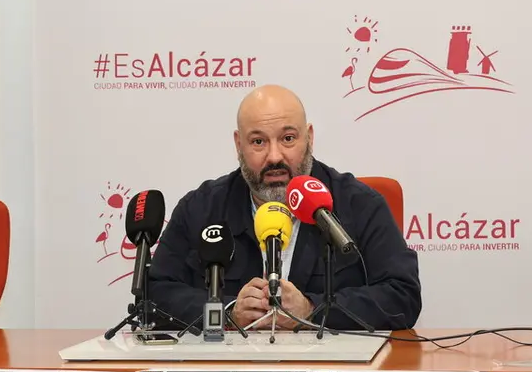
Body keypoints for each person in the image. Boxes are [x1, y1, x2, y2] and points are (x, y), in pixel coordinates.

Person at [148, 84, 421, 332]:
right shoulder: (201, 208)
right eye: (258, 142)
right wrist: (227, 313)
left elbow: (403, 296)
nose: (275, 156)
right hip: (233, 366)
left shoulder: (359, 204)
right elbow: (154, 294)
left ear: (309, 138)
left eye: (288, 138)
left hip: (329, 365)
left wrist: (313, 310)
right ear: (238, 145)